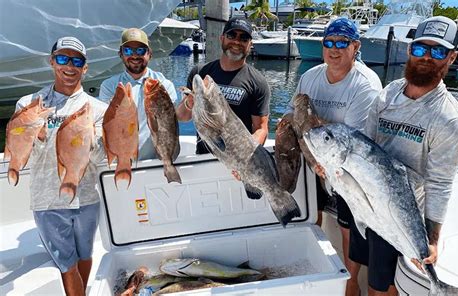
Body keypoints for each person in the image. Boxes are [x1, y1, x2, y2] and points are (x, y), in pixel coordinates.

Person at [358, 16, 458, 296]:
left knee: (380, 289)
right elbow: (364, 145)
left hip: (402, 216)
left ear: (452, 57)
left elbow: (440, 183)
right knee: (359, 269)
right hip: (366, 201)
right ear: (409, 50)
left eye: (438, 51)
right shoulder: (389, 93)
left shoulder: (450, 119)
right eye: (420, 49)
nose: (427, 58)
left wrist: (432, 238)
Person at [283, 17, 382, 296]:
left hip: (347, 166)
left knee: (347, 229)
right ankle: (313, 272)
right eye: (329, 42)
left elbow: (352, 139)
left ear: (356, 47)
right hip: (311, 156)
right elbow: (294, 115)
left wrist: (310, 119)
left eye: (342, 43)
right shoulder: (310, 76)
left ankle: (350, 285)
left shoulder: (365, 84)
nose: (334, 49)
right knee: (309, 216)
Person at [15, 36, 107, 296]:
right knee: (67, 265)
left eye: (77, 60)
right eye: (63, 58)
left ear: (85, 67)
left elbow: (102, 161)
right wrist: (33, 135)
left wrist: (94, 142)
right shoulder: (29, 105)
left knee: (85, 254)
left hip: (87, 196)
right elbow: (22, 153)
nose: (70, 66)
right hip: (48, 200)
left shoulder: (98, 109)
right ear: (52, 61)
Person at [176, 17, 270, 157]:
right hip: (203, 159)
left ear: (250, 44)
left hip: (238, 161)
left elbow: (261, 129)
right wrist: (190, 102)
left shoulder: (258, 82)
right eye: (231, 35)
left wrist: (246, 155)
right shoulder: (200, 72)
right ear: (222, 38)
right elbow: (182, 116)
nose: (237, 42)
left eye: (244, 38)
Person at [98, 28, 178, 160]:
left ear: (149, 54)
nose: (134, 56)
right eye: (128, 50)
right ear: (121, 54)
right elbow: (107, 127)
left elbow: (171, 125)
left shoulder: (163, 85)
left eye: (140, 50)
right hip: (122, 163)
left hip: (156, 162)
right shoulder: (109, 86)